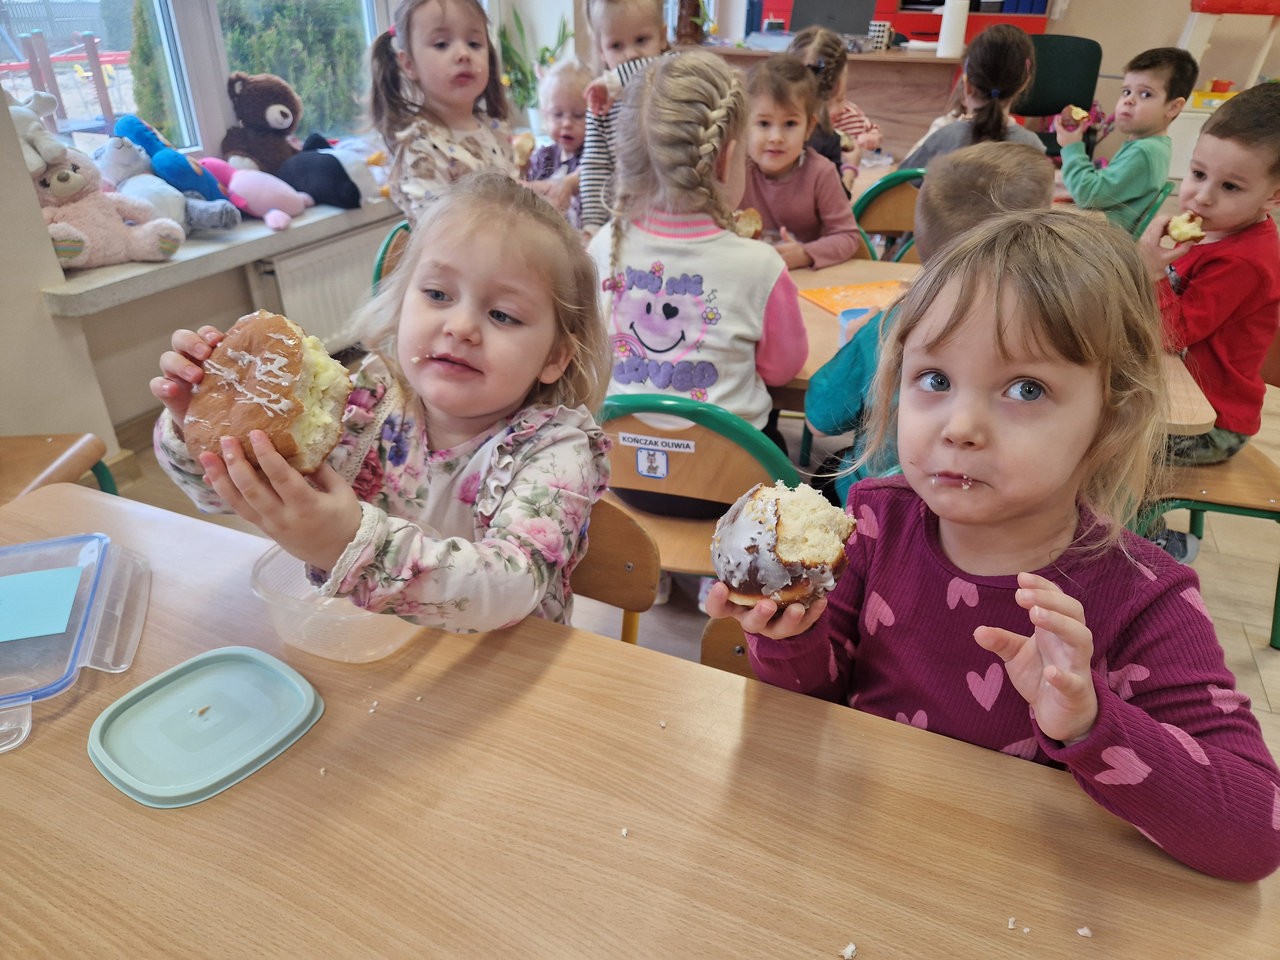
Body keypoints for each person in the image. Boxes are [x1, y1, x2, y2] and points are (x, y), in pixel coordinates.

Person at [707, 208, 1280, 883]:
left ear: (1112, 418)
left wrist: (1090, 724)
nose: (961, 427)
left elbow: (1256, 834)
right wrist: (792, 635)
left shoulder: (1144, 597)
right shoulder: (875, 522)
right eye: (935, 380)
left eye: (1025, 389)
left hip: (1014, 892)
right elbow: (814, 704)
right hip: (857, 859)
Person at [150, 174, 612, 633]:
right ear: (400, 302)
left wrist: (347, 544)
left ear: (555, 357)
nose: (461, 327)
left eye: (502, 315)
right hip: (363, 643)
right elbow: (228, 497)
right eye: (437, 294)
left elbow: (510, 587)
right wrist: (197, 426)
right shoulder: (364, 403)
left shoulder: (555, 451)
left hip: (503, 663)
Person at [587, 50, 807, 463]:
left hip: (620, 474)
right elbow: (782, 370)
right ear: (725, 159)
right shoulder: (762, 266)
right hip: (730, 480)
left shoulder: (601, 244)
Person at [807, 141, 1054, 506]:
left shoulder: (891, 326)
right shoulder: (1051, 334)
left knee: (829, 470)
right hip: (996, 506)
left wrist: (862, 341)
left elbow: (819, 420)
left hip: (880, 507)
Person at [1137, 81, 1280, 561]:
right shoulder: (1213, 233)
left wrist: (1151, 272)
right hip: (1181, 391)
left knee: (1108, 441)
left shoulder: (1245, 261)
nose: (1201, 197)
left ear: (1273, 196)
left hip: (1212, 424)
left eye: (1230, 187)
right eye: (1198, 173)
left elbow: (1172, 333)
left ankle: (1152, 543)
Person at [369, 0, 516, 228]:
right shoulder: (419, 146)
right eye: (441, 44)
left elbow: (513, 198)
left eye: (474, 43)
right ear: (409, 64)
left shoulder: (495, 129)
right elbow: (442, 234)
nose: (463, 54)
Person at [740, 54, 863, 270]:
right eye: (764, 123)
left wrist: (805, 254)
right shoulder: (735, 170)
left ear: (809, 128)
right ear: (743, 124)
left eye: (790, 124)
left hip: (801, 280)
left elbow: (847, 236)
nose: (776, 137)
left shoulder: (821, 173)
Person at [1058, 47, 1198, 234]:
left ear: (1173, 107)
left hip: (1105, 237)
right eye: (1126, 92)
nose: (1128, 100)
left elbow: (1088, 196)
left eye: (1145, 94)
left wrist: (1071, 147)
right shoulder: (1151, 145)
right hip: (1106, 227)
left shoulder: (1144, 151)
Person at [578, 0, 671, 237]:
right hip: (624, 220)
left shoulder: (672, 77)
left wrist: (615, 79)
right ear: (601, 51)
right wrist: (592, 225)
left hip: (674, 211)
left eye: (641, 40)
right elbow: (595, 166)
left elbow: (665, 64)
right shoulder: (600, 102)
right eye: (616, 46)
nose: (630, 54)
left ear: (662, 37)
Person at [900, 24, 1043, 171]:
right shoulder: (1032, 147)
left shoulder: (944, 136)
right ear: (1023, 84)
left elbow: (900, 180)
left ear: (967, 85)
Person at [787, 26, 879, 194]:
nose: (836, 111)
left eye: (841, 100)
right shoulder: (820, 139)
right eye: (832, 101)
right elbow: (836, 202)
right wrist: (850, 169)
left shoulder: (767, 123)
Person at [522, 58, 593, 229]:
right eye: (558, 114)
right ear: (545, 115)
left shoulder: (593, 155)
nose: (567, 123)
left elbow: (591, 172)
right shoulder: (543, 157)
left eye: (578, 115)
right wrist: (522, 170)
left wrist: (569, 184)